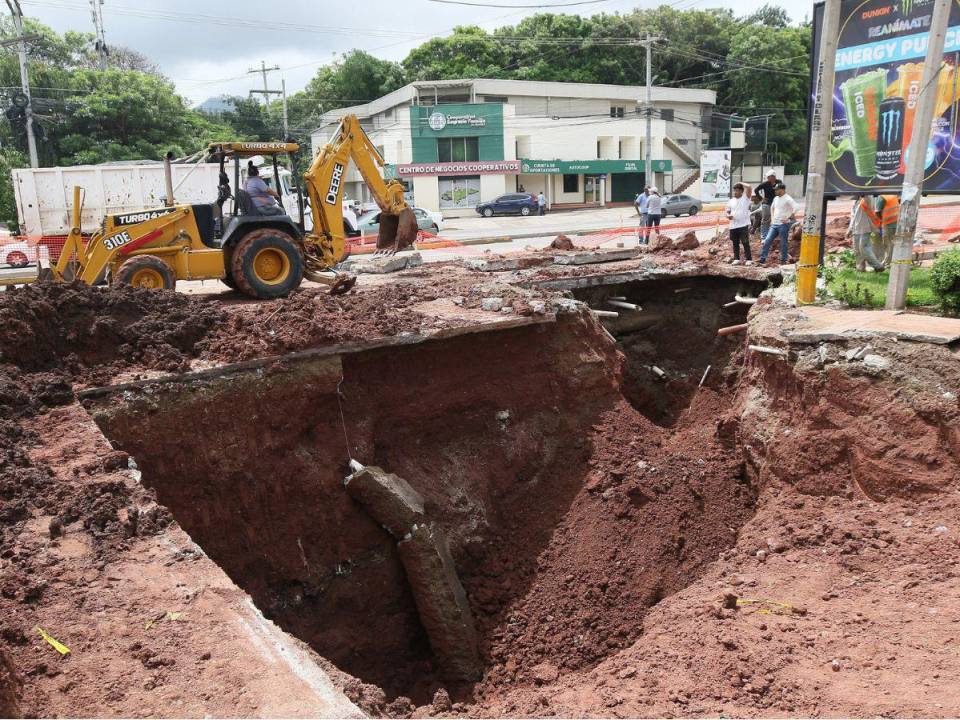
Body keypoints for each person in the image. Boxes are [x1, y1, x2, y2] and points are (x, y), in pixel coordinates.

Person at [758, 182, 798, 265]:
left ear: (782, 190)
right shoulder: (776, 198)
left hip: (783, 225)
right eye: (775, 190)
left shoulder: (788, 198)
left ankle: (783, 260)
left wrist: (788, 217)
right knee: (767, 240)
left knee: (783, 242)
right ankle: (762, 259)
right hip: (774, 224)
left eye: (777, 189)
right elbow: (772, 208)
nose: (775, 191)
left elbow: (796, 207)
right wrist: (772, 219)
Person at [848, 196, 885, 272]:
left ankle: (878, 266)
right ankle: (860, 268)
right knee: (857, 250)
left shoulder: (867, 199)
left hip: (865, 228)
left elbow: (867, 197)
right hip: (856, 228)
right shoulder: (854, 202)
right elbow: (853, 217)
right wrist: (850, 229)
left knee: (864, 248)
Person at [725, 182, 753, 265]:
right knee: (735, 243)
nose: (735, 192)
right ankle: (736, 258)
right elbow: (727, 211)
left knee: (745, 242)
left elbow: (749, 186)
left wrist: (740, 182)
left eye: (737, 190)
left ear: (741, 191)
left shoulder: (746, 198)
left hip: (743, 225)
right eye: (734, 191)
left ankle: (749, 259)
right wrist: (728, 216)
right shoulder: (731, 201)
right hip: (733, 225)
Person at [754, 172, 778, 241]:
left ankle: (773, 236)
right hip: (767, 204)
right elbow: (756, 190)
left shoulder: (778, 182)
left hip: (776, 204)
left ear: (773, 177)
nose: (768, 178)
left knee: (776, 220)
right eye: (767, 177)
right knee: (765, 220)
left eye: (769, 177)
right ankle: (764, 237)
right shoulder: (765, 184)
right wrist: (761, 198)